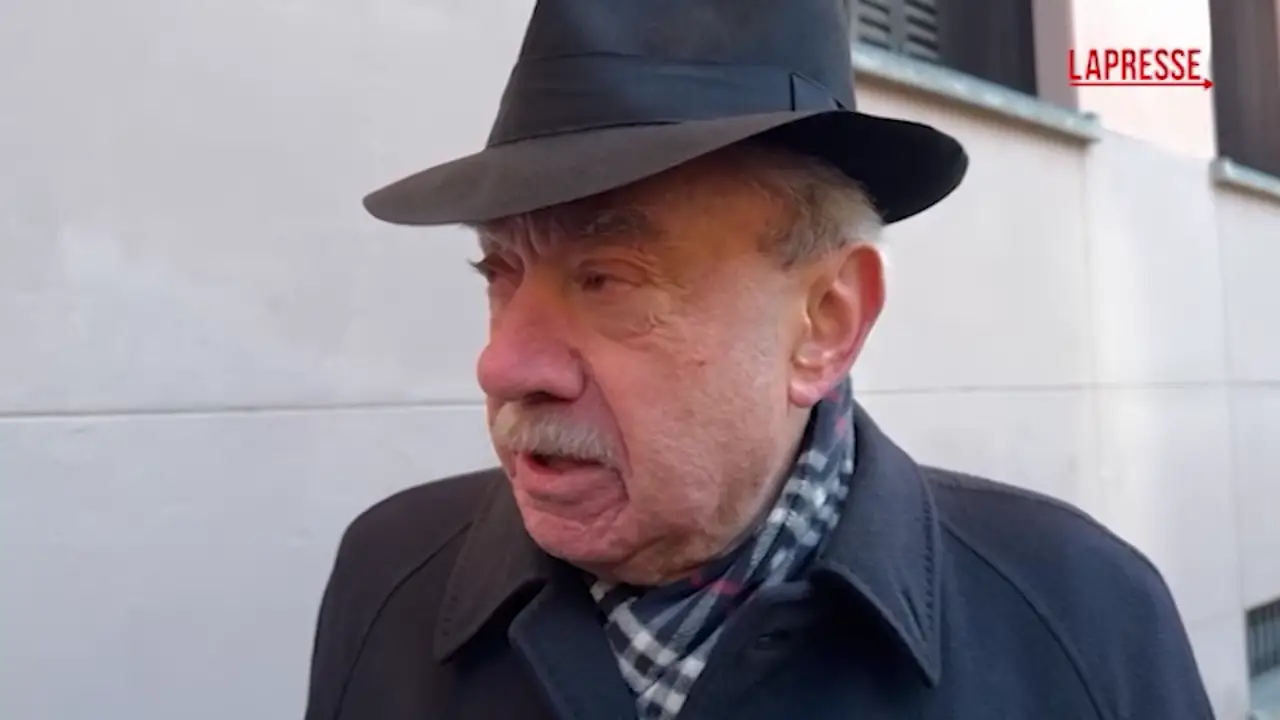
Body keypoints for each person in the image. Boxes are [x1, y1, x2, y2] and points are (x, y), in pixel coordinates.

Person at [304, 1, 1216, 718]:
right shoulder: (389, 577)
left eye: (607, 278)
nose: (504, 366)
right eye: (500, 272)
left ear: (825, 323)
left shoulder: (1081, 620)